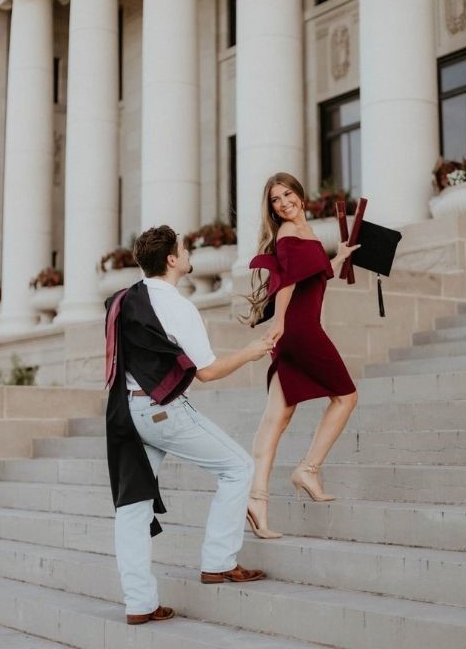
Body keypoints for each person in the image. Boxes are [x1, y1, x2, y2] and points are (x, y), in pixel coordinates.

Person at [105, 225, 274, 625]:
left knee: (132, 507)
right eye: (184, 247)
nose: (188, 251)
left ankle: (139, 604)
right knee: (238, 467)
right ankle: (219, 561)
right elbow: (208, 372)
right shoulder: (179, 307)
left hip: (127, 412)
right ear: (172, 260)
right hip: (162, 410)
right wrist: (252, 352)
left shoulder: (124, 299)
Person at [242, 172, 359, 538]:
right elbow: (289, 280)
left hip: (294, 330)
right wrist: (278, 323)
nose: (282, 202)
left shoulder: (304, 234)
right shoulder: (290, 234)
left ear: (300, 196)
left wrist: (336, 259)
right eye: (275, 199)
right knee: (346, 397)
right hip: (300, 329)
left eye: (287, 194)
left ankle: (256, 501)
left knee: (276, 417)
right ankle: (308, 468)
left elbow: (312, 279)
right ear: (272, 209)